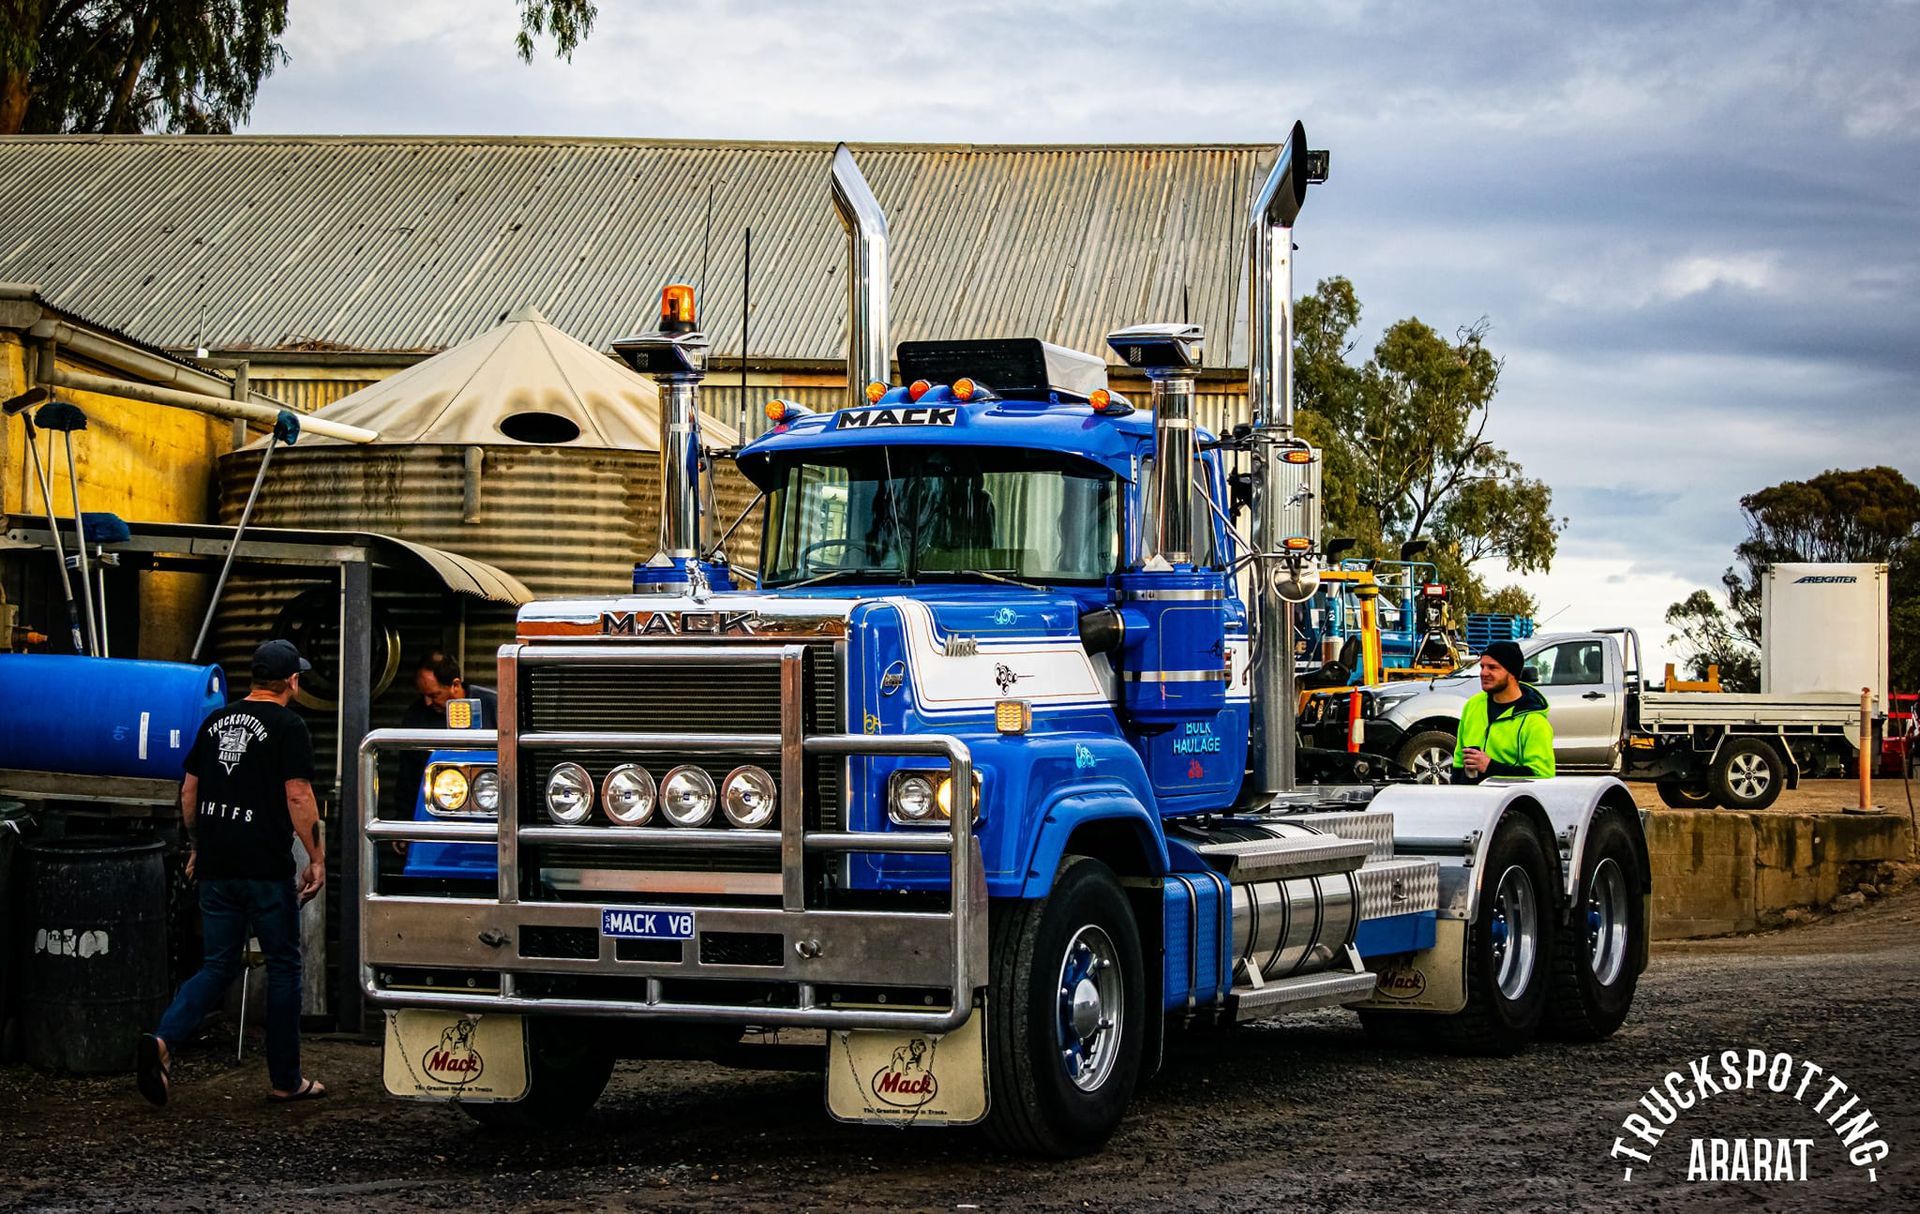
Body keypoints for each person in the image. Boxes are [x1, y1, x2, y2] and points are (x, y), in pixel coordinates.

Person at [138, 639, 326, 1106]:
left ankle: (163, 1041)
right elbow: (298, 794)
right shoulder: (289, 725)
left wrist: (199, 845)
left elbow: (190, 791)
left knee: (218, 964)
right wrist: (317, 857)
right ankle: (286, 1080)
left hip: (217, 864)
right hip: (263, 867)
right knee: (283, 965)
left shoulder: (216, 720)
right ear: (291, 681)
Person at [397, 652, 498, 809]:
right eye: (424, 695)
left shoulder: (494, 706)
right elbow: (408, 779)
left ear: (455, 685)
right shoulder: (416, 716)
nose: (428, 702)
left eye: (434, 695)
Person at [1453, 639, 1555, 783]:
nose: (1483, 673)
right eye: (1482, 667)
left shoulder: (1534, 723)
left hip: (1508, 803)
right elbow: (1459, 760)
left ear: (1512, 673)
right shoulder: (1473, 705)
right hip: (1471, 801)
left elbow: (1542, 775)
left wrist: (1490, 767)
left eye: (1492, 667)